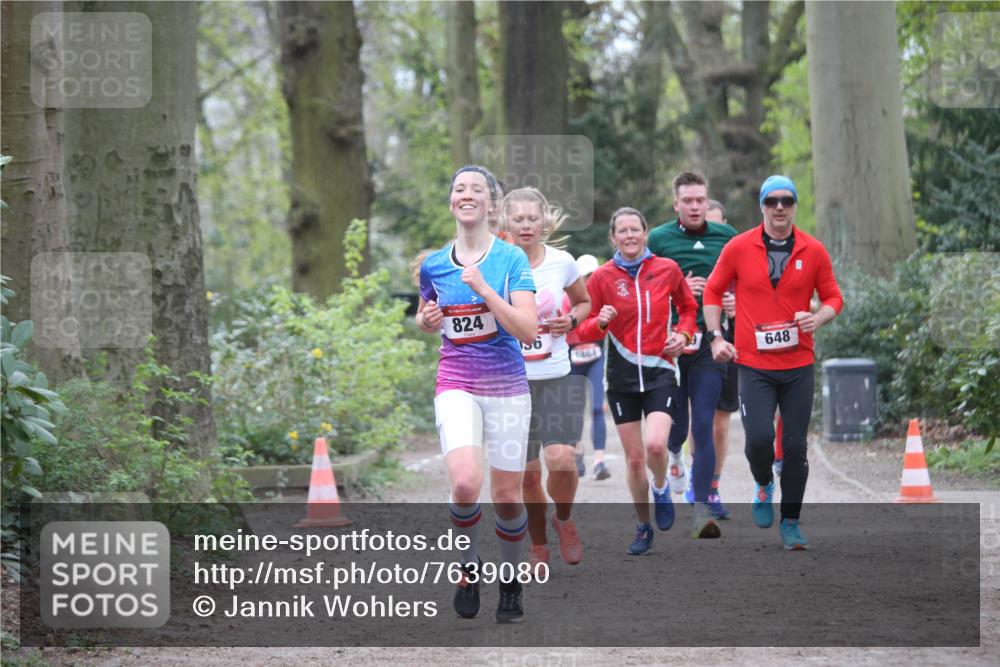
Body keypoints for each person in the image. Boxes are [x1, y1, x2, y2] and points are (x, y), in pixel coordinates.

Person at [416, 165, 538, 622]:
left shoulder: (510, 260)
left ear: (491, 205)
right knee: (466, 484)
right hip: (456, 382)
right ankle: (468, 570)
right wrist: (425, 321)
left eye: (477, 189)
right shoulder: (433, 264)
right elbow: (430, 312)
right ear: (452, 202)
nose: (466, 195)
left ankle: (510, 580)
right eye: (459, 188)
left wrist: (485, 288)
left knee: (507, 496)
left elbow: (527, 330)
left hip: (506, 384)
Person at [704, 175, 844, 551]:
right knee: (761, 440)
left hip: (798, 365)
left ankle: (792, 521)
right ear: (762, 206)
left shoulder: (813, 250)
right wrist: (716, 336)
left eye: (786, 201)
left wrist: (819, 318)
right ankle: (764, 483)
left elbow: (833, 297)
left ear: (795, 206)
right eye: (771, 201)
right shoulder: (738, 247)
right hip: (754, 364)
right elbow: (714, 291)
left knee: (796, 447)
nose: (779, 207)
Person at [574, 207, 704, 555]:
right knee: (634, 460)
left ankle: (661, 486)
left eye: (635, 229)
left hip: (661, 369)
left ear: (645, 233)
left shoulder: (667, 269)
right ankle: (643, 525)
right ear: (613, 237)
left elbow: (689, 309)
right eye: (622, 231)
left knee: (656, 446)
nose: (629, 235)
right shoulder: (601, 278)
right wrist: (600, 322)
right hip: (621, 379)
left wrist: (684, 334)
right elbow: (583, 330)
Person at [502, 187, 592, 573]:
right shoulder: (496, 262)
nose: (526, 225)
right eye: (518, 219)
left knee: (562, 459)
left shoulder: (562, 262)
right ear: (505, 222)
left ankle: (564, 517)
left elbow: (585, 303)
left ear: (544, 221)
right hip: (511, 381)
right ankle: (538, 545)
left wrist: (570, 321)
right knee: (527, 474)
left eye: (532, 218)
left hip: (556, 375)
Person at [648, 172, 736, 527]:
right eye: (688, 201)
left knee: (704, 423)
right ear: (676, 204)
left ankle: (702, 506)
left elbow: (746, 280)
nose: (696, 206)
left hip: (709, 342)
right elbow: (643, 284)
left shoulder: (727, 238)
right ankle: (674, 456)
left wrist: (734, 300)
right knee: (678, 430)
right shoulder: (659, 238)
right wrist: (678, 286)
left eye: (701, 199)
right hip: (670, 343)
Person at [566, 254, 611, 481]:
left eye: (594, 275)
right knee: (574, 411)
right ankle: (577, 451)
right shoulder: (566, 296)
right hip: (571, 359)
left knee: (596, 407)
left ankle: (600, 461)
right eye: (587, 276)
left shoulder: (602, 296)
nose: (591, 279)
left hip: (595, 357)